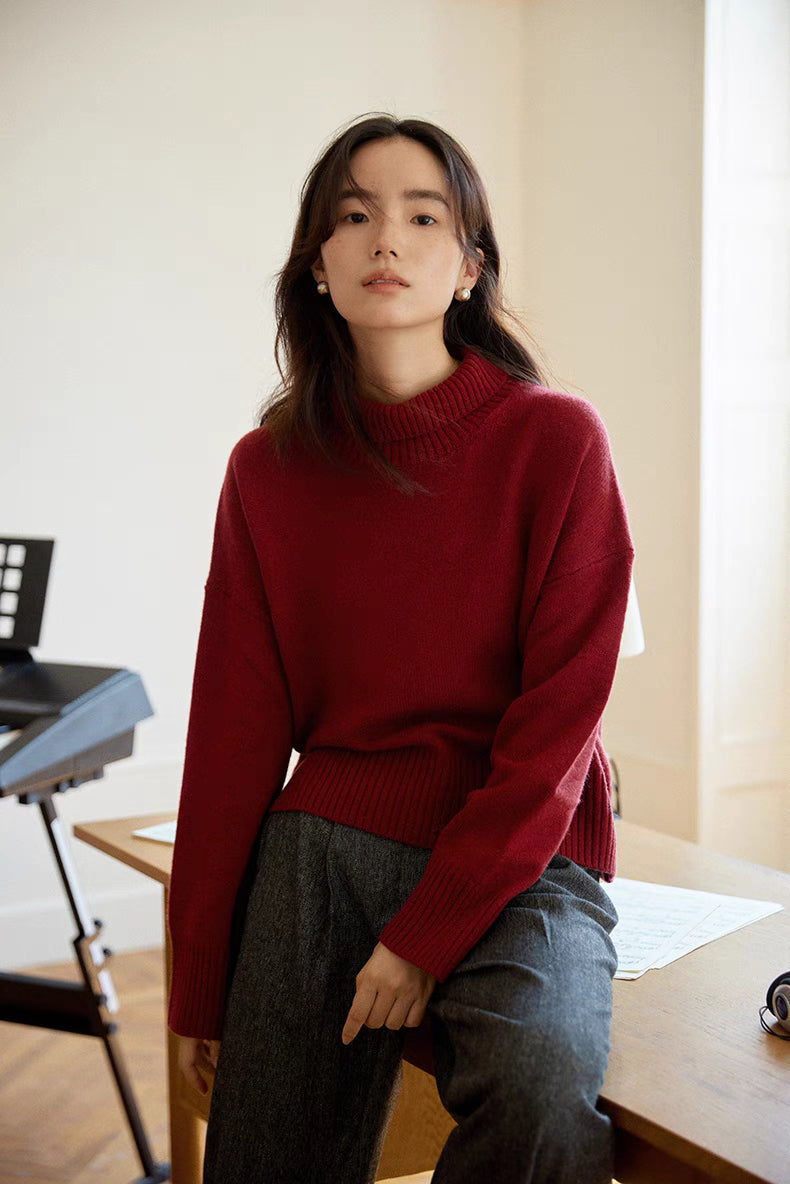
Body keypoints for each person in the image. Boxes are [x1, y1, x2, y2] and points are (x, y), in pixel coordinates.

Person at [166, 111, 635, 1184]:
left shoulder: (554, 440)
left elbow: (558, 729)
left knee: (538, 1086)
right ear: (317, 262)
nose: (387, 239)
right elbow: (233, 736)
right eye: (355, 214)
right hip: (320, 847)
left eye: (423, 216)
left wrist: (425, 934)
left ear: (469, 266)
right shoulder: (267, 470)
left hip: (525, 852)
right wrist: (200, 982)